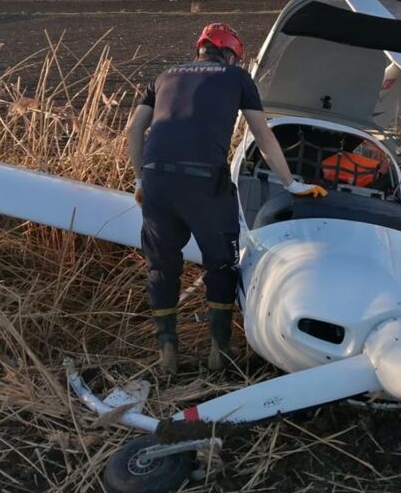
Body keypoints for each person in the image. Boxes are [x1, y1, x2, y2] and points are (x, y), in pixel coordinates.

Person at [126, 22, 327, 375]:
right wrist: (291, 183)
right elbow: (263, 137)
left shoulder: (163, 77)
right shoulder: (236, 78)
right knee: (220, 264)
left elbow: (133, 129)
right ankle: (219, 351)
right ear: (231, 54)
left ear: (200, 49)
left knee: (161, 266)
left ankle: (167, 352)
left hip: (157, 179)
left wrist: (141, 179)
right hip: (204, 181)